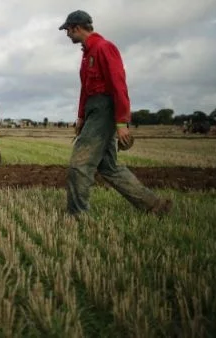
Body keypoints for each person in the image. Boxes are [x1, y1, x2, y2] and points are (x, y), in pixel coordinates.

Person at [58, 10, 172, 218]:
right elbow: (85, 90)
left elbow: (118, 85)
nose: (66, 34)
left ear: (76, 27)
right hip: (93, 110)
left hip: (104, 109)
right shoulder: (87, 55)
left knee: (79, 164)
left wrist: (121, 122)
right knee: (109, 167)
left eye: (67, 30)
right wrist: (81, 117)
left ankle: (77, 216)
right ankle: (154, 206)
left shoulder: (104, 48)